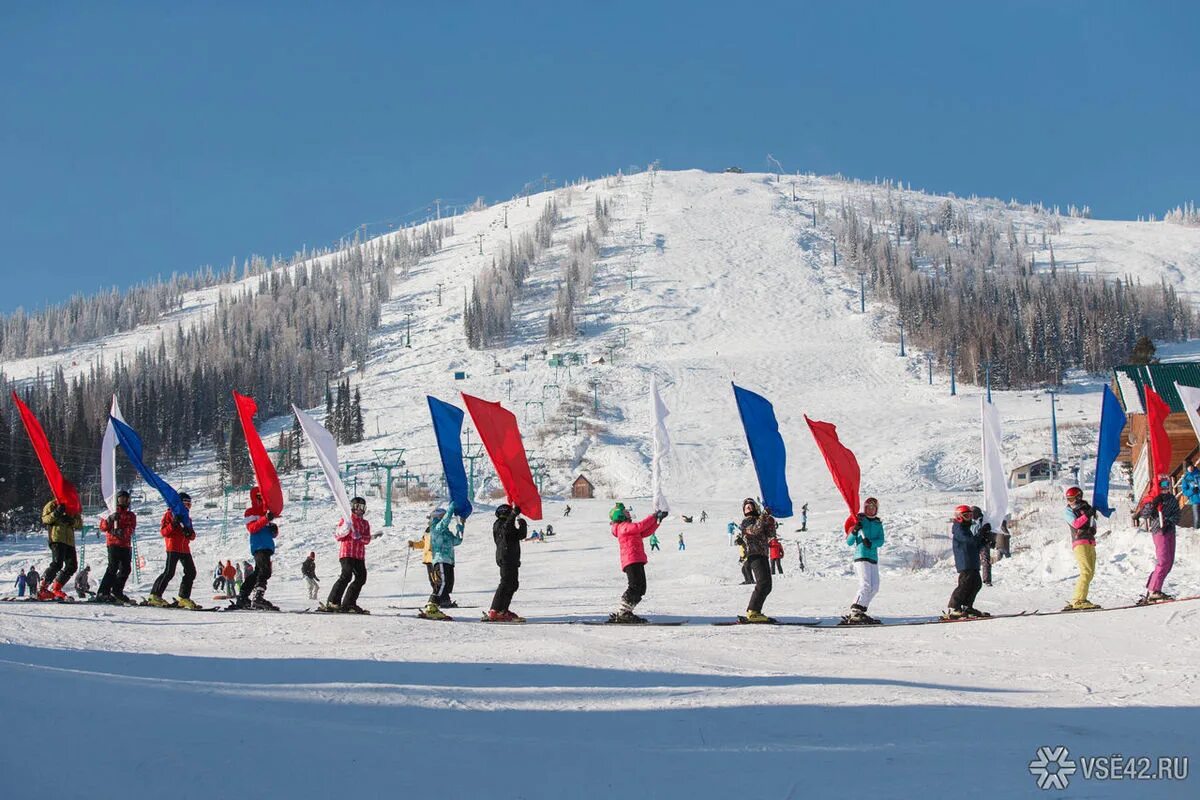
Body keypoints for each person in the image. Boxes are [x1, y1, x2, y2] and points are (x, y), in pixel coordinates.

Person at [608, 503, 667, 623]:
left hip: (637, 559)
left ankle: (626, 612)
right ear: (620, 516)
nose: (628, 513)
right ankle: (623, 612)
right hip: (631, 560)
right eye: (625, 512)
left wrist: (658, 521)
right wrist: (654, 516)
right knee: (635, 586)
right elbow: (640, 526)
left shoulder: (627, 527)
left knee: (641, 588)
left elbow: (645, 531)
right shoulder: (622, 527)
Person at [147, 494, 200, 609]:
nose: (187, 507)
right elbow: (163, 532)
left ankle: (183, 597)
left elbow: (192, 535)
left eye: (189, 505)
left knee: (191, 572)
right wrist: (173, 524)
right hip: (173, 547)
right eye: (185, 504)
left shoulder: (187, 518)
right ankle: (155, 595)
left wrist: (189, 533)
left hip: (184, 548)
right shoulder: (169, 515)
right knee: (169, 572)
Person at [322, 496, 372, 613]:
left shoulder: (365, 523)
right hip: (347, 553)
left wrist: (360, 537)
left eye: (362, 507)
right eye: (357, 507)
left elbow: (368, 539)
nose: (359, 510)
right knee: (346, 575)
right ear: (352, 507)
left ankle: (349, 603)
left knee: (361, 577)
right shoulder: (347, 520)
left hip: (359, 555)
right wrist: (347, 529)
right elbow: (338, 535)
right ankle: (333, 601)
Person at [1137, 475, 1181, 603]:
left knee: (1169, 562)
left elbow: (1177, 514)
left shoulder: (1171, 499)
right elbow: (1144, 514)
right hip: (1159, 531)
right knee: (1163, 561)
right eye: (1162, 485)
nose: (1165, 488)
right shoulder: (1152, 498)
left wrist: (1169, 521)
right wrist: (1153, 504)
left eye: (1167, 484)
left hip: (1169, 530)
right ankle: (1153, 590)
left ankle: (1154, 587)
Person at [234, 487, 278, 610]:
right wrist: (265, 519)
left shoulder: (266, 513)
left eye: (262, 497)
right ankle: (258, 598)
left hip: (267, 546)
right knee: (265, 571)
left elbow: (271, 533)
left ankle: (243, 596)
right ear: (254, 497)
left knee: (258, 573)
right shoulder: (250, 512)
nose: (260, 499)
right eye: (258, 497)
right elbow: (252, 528)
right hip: (258, 546)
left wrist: (274, 529)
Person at [844, 497, 885, 624]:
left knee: (875, 587)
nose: (870, 510)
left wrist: (871, 543)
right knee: (866, 584)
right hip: (861, 556)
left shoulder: (878, 524)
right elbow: (849, 542)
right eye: (868, 507)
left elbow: (881, 540)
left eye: (873, 508)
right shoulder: (859, 520)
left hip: (873, 558)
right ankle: (855, 611)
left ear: (876, 509)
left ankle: (861, 610)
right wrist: (855, 530)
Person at [422, 503, 464, 620]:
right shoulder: (436, 528)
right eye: (442, 517)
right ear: (438, 517)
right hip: (440, 559)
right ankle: (432, 605)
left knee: (448, 584)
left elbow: (457, 541)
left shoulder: (446, 532)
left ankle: (441, 603)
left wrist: (460, 528)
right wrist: (452, 506)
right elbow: (445, 521)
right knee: (442, 583)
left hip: (449, 561)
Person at [947, 504, 990, 618]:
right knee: (964, 585)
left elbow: (975, 544)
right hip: (965, 561)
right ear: (959, 517)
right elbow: (969, 541)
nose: (969, 518)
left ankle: (967, 607)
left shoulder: (966, 528)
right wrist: (980, 533)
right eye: (966, 516)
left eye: (970, 515)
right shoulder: (958, 528)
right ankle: (954, 607)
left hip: (972, 560)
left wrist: (985, 541)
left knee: (976, 584)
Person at [487, 503, 527, 622]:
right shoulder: (498, 524)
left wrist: (522, 525)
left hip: (513, 558)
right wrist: (514, 515)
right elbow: (505, 530)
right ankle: (495, 609)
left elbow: (520, 535)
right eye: (510, 512)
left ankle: (503, 610)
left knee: (513, 584)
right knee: (505, 583)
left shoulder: (509, 525)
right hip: (505, 557)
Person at [739, 499, 776, 622]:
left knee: (767, 585)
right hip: (753, 554)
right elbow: (755, 530)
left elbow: (770, 534)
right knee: (763, 583)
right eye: (746, 507)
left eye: (750, 506)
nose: (748, 508)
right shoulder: (746, 522)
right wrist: (763, 516)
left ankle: (756, 611)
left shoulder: (760, 519)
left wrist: (769, 519)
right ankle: (752, 611)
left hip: (763, 554)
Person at [1062, 486, 1099, 610]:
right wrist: (1088, 515)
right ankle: (1078, 600)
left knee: (1090, 572)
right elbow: (1076, 524)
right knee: (1086, 571)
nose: (1070, 502)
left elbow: (1093, 522)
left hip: (1090, 541)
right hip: (1079, 542)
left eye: (1072, 499)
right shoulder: (1068, 511)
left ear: (1078, 497)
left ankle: (1080, 598)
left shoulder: (1086, 508)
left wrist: (1093, 524)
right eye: (1068, 499)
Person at [97, 490, 136, 604]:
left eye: (126, 499)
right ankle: (103, 592)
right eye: (121, 499)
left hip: (125, 545)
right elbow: (103, 527)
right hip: (113, 543)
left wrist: (123, 532)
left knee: (126, 569)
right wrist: (110, 519)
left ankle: (117, 591)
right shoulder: (111, 512)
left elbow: (132, 528)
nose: (124, 501)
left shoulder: (130, 515)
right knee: (113, 567)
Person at [38, 498, 83, 600]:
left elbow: (80, 524)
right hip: (57, 538)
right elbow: (45, 519)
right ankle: (42, 588)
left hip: (69, 541)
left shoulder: (72, 506)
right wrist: (56, 512)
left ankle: (56, 588)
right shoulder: (52, 504)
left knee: (72, 566)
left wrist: (71, 521)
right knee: (57, 563)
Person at [408, 523, 439, 598]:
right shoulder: (428, 529)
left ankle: (439, 596)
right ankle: (435, 595)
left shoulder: (439, 528)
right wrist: (414, 544)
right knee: (432, 580)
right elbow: (423, 543)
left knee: (437, 579)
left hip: (436, 558)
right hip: (428, 558)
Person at [972, 506, 994, 586]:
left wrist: (991, 540)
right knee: (972, 562)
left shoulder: (984, 520)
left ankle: (987, 580)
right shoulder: (970, 521)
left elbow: (990, 530)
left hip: (983, 542)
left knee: (985, 561)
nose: (971, 515)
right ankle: (973, 579)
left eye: (973, 513)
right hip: (973, 542)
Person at [1181, 461, 1200, 528]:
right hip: (1195, 500)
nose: (1190, 468)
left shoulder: (1199, 473)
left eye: (1191, 466)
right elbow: (1184, 492)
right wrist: (1192, 491)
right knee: (1197, 519)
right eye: (1188, 467)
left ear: (1193, 466)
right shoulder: (1185, 478)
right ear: (1187, 468)